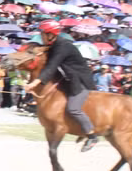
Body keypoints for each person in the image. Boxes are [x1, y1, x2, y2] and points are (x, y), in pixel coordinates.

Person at [24, 20, 98, 151]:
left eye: (43, 35)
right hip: (67, 79)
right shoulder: (54, 46)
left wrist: (34, 83)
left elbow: (51, 67)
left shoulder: (63, 46)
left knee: (74, 108)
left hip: (80, 81)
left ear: (51, 35)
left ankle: (92, 136)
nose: (41, 37)